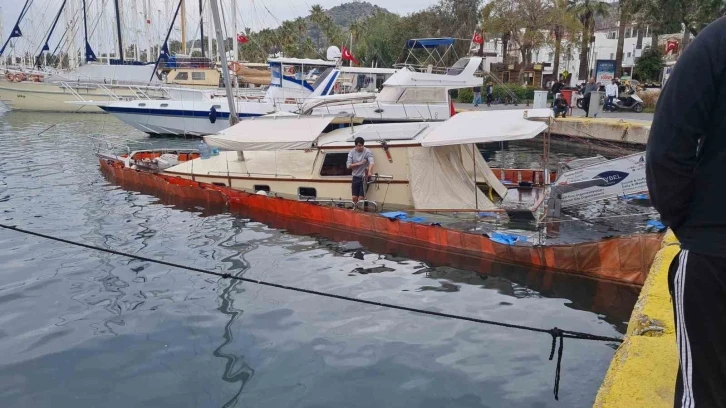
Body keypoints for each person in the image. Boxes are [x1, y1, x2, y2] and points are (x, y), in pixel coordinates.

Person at [646, 16, 726, 408]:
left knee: (705, 394)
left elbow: (665, 152)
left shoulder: (716, 44)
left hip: (715, 253)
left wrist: (684, 223)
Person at [346, 136, 374, 207]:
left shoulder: (367, 151)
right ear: (356, 145)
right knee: (354, 197)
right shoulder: (351, 152)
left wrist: (370, 171)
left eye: (362, 145)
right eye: (359, 145)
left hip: (364, 177)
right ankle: (355, 209)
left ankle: (359, 209)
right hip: (355, 176)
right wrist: (360, 163)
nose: (361, 147)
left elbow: (371, 162)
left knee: (361, 198)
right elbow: (348, 166)